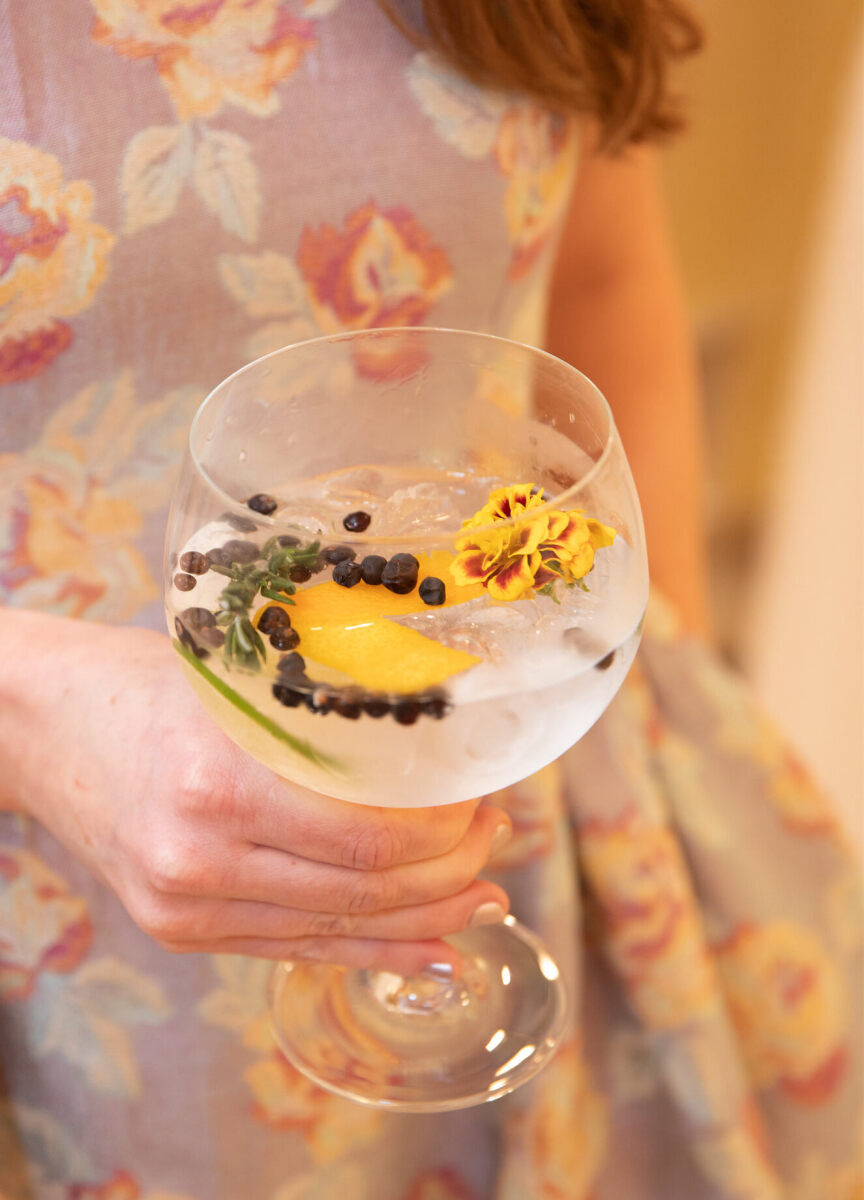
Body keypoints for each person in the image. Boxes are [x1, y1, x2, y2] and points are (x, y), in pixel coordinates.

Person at [0, 2, 860, 1197]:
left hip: (523, 783)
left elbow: (607, 282)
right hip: (54, 914)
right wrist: (27, 715)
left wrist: (645, 729)